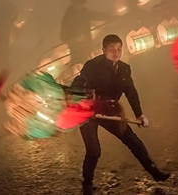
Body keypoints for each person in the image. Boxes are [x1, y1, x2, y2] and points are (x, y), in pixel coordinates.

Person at [71, 34, 170, 195]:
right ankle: (87, 184)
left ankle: (154, 172)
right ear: (104, 50)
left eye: (119, 49)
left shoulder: (124, 68)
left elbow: (131, 92)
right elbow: (78, 84)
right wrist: (79, 101)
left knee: (132, 140)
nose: (116, 53)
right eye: (112, 49)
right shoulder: (92, 66)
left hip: (110, 109)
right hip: (89, 111)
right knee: (94, 151)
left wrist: (139, 114)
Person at [60, 0, 114, 65]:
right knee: (78, 65)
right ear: (73, 3)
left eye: (82, 3)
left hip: (87, 46)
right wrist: (75, 39)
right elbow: (62, 36)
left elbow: (96, 15)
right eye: (79, 3)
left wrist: (111, 18)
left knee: (89, 63)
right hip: (76, 50)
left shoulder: (84, 12)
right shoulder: (68, 18)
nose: (81, 5)